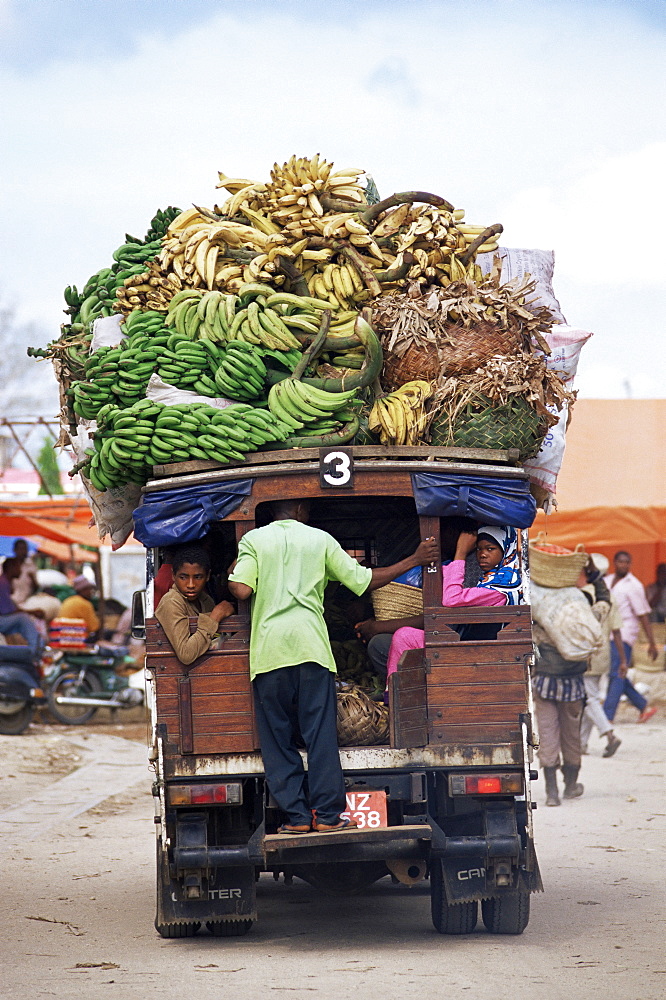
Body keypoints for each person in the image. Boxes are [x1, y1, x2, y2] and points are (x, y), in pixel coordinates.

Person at [227, 498, 438, 835]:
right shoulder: (320, 539)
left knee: (277, 738)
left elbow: (240, 589)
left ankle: (296, 818)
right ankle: (327, 816)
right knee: (320, 735)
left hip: (269, 652)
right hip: (311, 650)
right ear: (298, 511)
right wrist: (413, 559)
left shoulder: (254, 540)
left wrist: (237, 565)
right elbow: (365, 580)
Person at [359, 525, 523, 686]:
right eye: (479, 549)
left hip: (476, 654)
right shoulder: (490, 581)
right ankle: (397, 693)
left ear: (506, 551)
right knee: (404, 635)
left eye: (490, 549)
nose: (483, 555)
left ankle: (398, 694)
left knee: (403, 638)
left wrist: (460, 553)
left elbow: (451, 599)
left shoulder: (502, 587)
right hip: (465, 645)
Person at [531, 575, 603, 807]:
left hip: (544, 682)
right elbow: (604, 602)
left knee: (548, 734)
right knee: (572, 737)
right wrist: (595, 575)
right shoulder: (590, 618)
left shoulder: (542, 620)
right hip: (573, 684)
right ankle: (570, 786)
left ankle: (552, 793)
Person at [155, 545, 235, 666]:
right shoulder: (171, 602)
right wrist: (215, 617)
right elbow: (186, 654)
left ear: (208, 576)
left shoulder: (205, 600)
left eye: (198, 577)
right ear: (173, 575)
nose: (191, 584)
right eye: (183, 577)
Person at [603, 551, 658, 724]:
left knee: (617, 673)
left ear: (630, 564)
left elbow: (643, 615)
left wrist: (652, 643)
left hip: (625, 633)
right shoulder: (606, 581)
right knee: (618, 671)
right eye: (620, 562)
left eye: (627, 562)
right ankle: (643, 706)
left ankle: (607, 716)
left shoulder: (634, 585)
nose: (623, 565)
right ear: (615, 562)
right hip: (607, 632)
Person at [578, 555, 623, 758]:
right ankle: (581, 744)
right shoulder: (610, 597)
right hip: (603, 652)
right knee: (591, 696)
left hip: (586, 652)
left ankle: (609, 734)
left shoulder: (582, 595)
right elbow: (617, 630)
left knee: (589, 699)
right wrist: (623, 659)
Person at [0, 557, 44, 658]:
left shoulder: (7, 582)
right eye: (19, 567)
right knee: (23, 619)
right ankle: (38, 649)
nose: (21, 570)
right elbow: (7, 611)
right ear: (11, 567)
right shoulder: (2, 583)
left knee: (23, 617)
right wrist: (32, 612)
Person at [59, 574, 101, 640]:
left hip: (62, 637)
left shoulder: (68, 600)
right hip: (76, 639)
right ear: (83, 590)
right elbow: (94, 628)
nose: (91, 592)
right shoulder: (85, 604)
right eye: (89, 589)